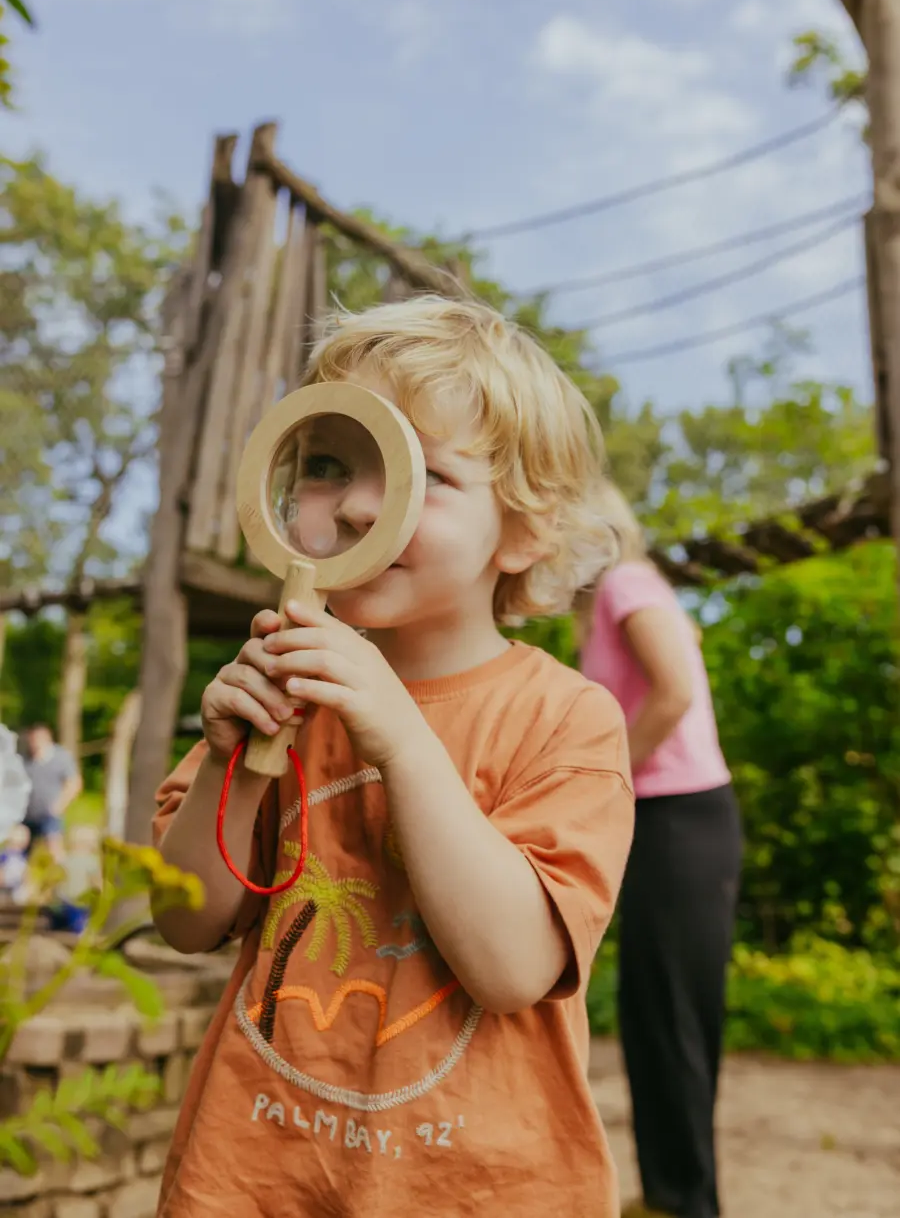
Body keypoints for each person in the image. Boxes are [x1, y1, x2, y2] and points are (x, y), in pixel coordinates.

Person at [151, 296, 635, 1217]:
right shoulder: (279, 683)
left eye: (426, 475)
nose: (362, 502)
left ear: (526, 529)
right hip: (256, 1176)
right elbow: (185, 922)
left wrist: (400, 733)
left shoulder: (566, 718)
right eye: (328, 464)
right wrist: (229, 762)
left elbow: (512, 967)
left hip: (478, 1190)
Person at [576, 483, 742, 1218]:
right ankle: (676, 1190)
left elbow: (673, 690)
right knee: (655, 1010)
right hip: (668, 819)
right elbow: (683, 652)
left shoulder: (626, 580)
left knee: (672, 1015)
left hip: (678, 818)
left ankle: (685, 1201)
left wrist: (605, 784)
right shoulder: (621, 600)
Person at [21, 723, 83, 861]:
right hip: (27, 815)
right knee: (22, 851)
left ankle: (60, 877)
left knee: (54, 848)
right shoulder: (25, 759)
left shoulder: (61, 758)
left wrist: (60, 805)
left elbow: (74, 783)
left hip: (50, 814)